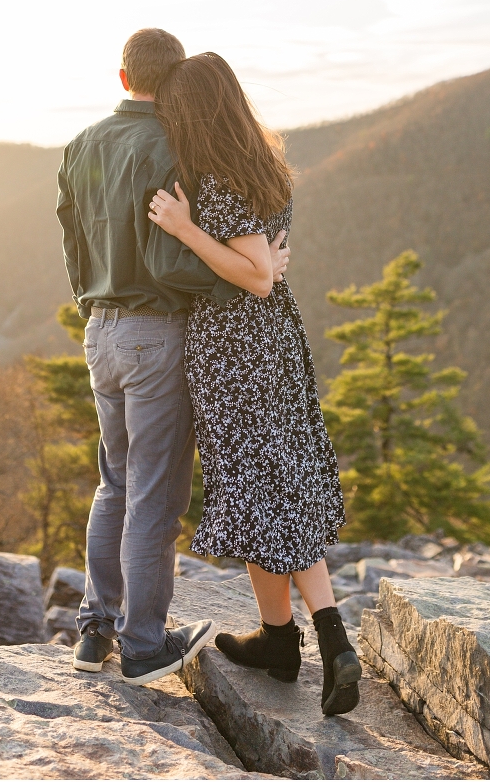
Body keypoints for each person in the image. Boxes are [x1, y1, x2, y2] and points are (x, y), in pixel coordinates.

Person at [56, 29, 289, 687]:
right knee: (156, 494)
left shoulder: (79, 146)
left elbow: (71, 236)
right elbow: (182, 257)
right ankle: (144, 644)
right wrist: (253, 271)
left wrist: (90, 302)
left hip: (100, 330)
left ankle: (95, 628)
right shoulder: (178, 147)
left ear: (124, 77)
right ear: (177, 76)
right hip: (156, 332)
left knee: (116, 481)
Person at [148, 51, 362, 716]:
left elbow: (257, 273)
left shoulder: (214, 178)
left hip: (236, 349)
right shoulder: (263, 162)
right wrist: (260, 257)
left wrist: (185, 229)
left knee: (260, 487)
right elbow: (267, 261)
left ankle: (332, 639)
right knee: (268, 487)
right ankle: (279, 638)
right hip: (275, 344)